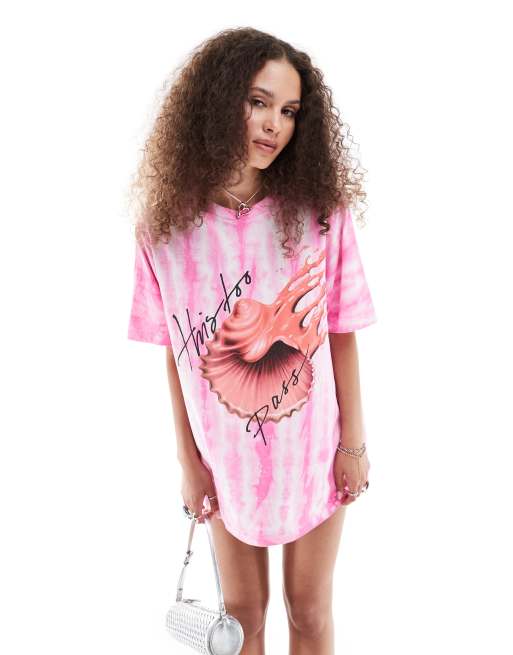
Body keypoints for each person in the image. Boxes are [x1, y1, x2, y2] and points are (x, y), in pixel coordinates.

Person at [127, 26, 377, 655]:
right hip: (224, 457)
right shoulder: (165, 225)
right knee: (241, 617)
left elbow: (341, 329)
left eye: (289, 111)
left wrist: (353, 443)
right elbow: (175, 349)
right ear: (218, 101)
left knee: (309, 609)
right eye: (259, 102)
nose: (274, 125)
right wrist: (188, 461)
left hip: (313, 446)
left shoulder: (320, 211)